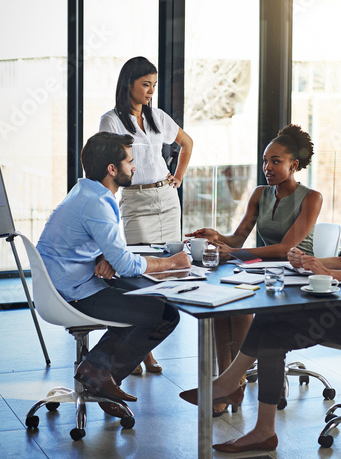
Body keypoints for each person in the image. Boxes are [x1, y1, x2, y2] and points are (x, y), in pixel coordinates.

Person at [180, 148, 341, 453]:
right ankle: (258, 424)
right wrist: (308, 261)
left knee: (272, 325)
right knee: (270, 320)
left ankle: (230, 386)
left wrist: (331, 274)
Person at [37, 131, 191, 419]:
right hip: (72, 295)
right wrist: (171, 262)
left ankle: (100, 377)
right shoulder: (98, 203)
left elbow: (105, 249)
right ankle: (98, 372)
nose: (134, 167)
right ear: (112, 169)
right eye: (130, 161)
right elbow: (126, 265)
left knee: (142, 302)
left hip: (63, 286)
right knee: (165, 314)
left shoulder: (84, 191)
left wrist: (104, 254)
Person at [186, 124, 322, 416]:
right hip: (261, 272)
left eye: (276, 161)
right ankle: (230, 384)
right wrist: (217, 237)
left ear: (294, 165)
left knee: (239, 304)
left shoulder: (311, 198)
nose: (267, 167)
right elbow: (238, 238)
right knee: (221, 308)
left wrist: (233, 253)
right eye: (265, 160)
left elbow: (285, 248)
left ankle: (232, 382)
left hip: (295, 276)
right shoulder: (261, 193)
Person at [100, 56, 193, 375]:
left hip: (166, 198)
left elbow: (186, 142)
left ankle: (147, 344)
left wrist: (177, 177)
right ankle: (142, 350)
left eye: (154, 84)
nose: (151, 90)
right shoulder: (111, 120)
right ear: (129, 85)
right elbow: (108, 167)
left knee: (168, 270)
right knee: (142, 275)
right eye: (146, 84)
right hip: (135, 199)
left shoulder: (157, 117)